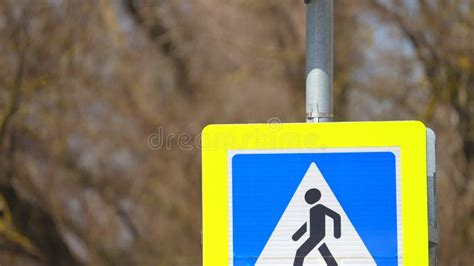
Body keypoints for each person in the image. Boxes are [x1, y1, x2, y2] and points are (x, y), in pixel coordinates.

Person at [292, 188, 341, 266]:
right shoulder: (312, 209)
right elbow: (307, 224)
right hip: (315, 236)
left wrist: (337, 233)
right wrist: (297, 236)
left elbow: (336, 216)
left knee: (300, 252)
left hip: (317, 236)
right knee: (325, 254)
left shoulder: (320, 207)